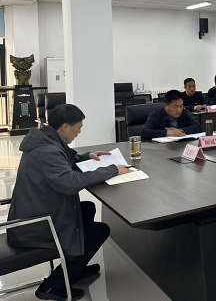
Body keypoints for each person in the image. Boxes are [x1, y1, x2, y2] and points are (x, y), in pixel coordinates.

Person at [8, 104, 132, 301]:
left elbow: (63, 159)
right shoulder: (48, 151)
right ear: (65, 126)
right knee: (100, 230)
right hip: (35, 227)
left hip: (35, 212)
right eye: (78, 128)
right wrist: (113, 170)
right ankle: (52, 286)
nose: (79, 132)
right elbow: (70, 183)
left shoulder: (45, 140)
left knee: (87, 208)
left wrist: (87, 157)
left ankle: (75, 267)